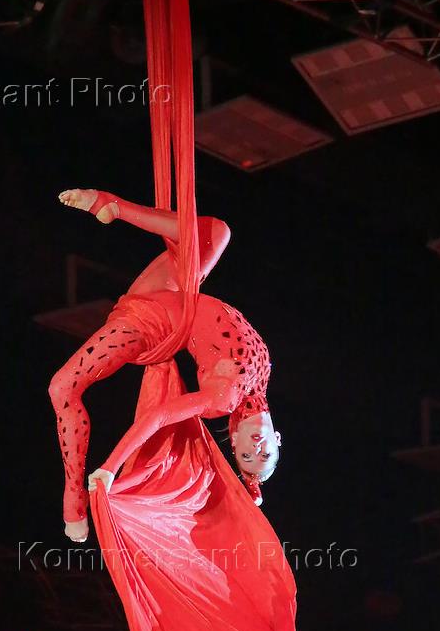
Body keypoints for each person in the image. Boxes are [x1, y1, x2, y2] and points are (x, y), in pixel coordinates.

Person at [49, 188, 282, 542]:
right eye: (264, 454)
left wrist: (110, 468)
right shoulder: (262, 375)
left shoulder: (222, 400)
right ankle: (112, 206)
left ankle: (73, 500)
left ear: (233, 441)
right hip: (176, 292)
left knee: (62, 387)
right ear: (277, 440)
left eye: (246, 455)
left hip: (150, 326)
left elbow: (158, 417)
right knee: (217, 232)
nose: (256, 447)